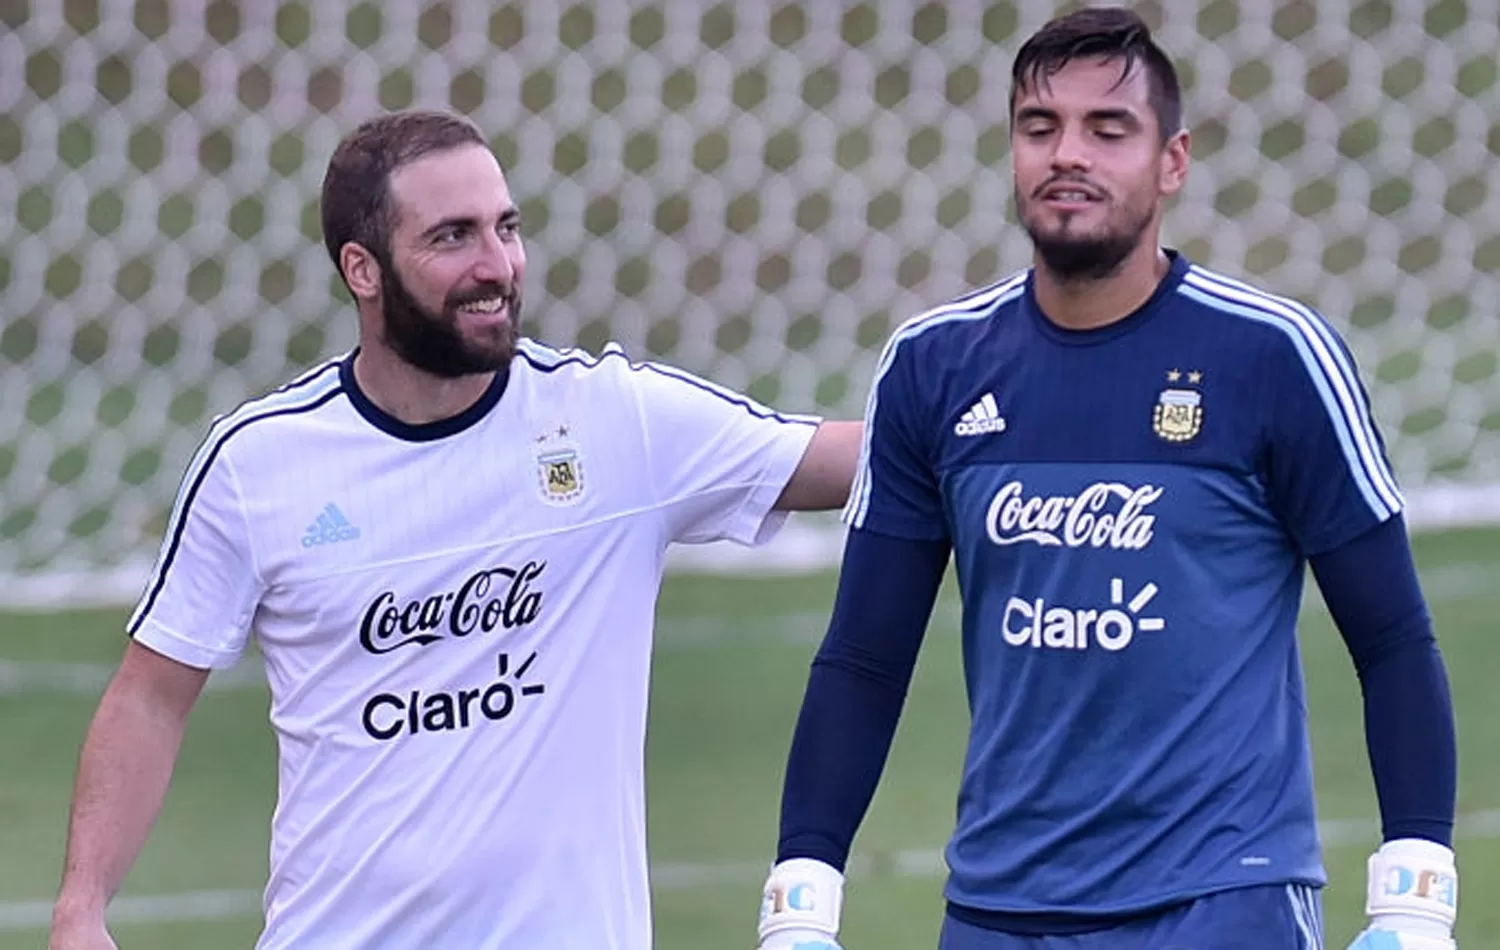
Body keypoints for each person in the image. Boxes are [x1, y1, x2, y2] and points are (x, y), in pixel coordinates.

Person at [48, 108, 862, 950]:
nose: (496, 265)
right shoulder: (260, 466)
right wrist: (81, 909)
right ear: (362, 269)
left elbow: (847, 460)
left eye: (505, 228)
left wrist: (996, 407)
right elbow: (149, 695)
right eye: (452, 237)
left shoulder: (616, 424)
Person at [754, 8, 1459, 950]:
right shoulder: (933, 366)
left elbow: (1393, 637)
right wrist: (799, 896)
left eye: (1107, 129)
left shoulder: (1274, 357)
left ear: (1172, 162)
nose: (1066, 154)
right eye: (1039, 127)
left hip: (1223, 900)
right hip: (999, 911)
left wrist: (1417, 903)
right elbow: (865, 658)